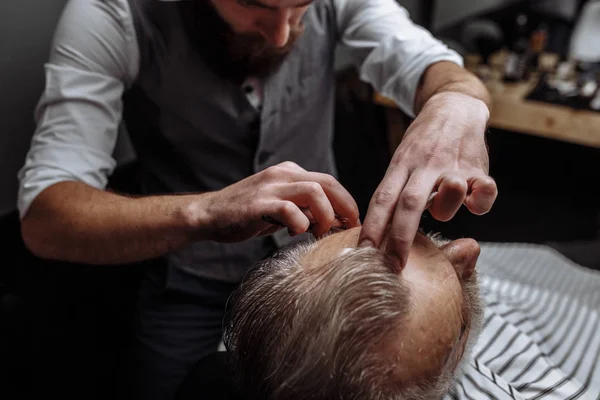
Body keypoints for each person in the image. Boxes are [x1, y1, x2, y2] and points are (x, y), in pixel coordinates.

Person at [16, 0, 497, 398]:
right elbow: (46, 217)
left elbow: (434, 68)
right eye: (255, 6)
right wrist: (203, 211)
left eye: (301, 8)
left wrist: (455, 101)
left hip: (309, 284)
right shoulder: (112, 15)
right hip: (187, 284)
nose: (284, 35)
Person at [178, 228, 600, 400]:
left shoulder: (215, 373)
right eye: (462, 310)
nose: (467, 248)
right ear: (454, 361)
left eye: (424, 242)